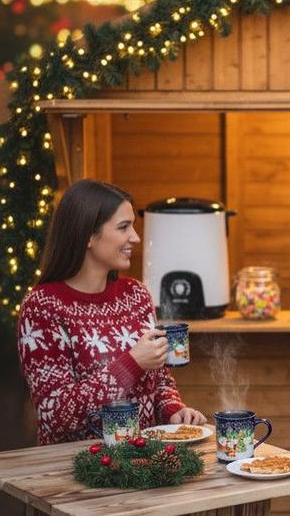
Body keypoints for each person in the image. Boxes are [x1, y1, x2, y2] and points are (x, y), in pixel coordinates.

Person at [17, 179, 206, 445]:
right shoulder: (43, 307)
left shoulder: (136, 295)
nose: (135, 238)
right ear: (88, 236)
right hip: (75, 467)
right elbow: (55, 414)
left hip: (144, 460)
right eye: (123, 227)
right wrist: (131, 364)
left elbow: (160, 380)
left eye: (133, 226)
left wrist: (174, 411)